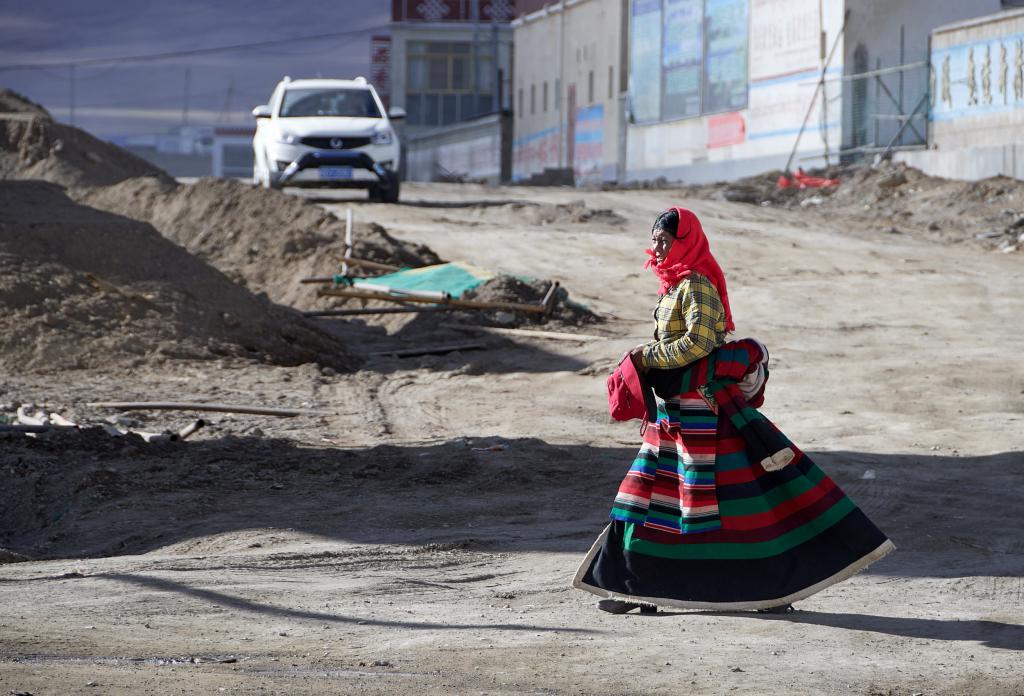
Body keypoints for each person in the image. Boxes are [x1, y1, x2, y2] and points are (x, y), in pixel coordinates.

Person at [573, 206, 895, 614]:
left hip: (705, 413)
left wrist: (645, 357)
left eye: (664, 240)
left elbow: (700, 344)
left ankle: (771, 589)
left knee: (734, 502)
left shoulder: (698, 285)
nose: (655, 246)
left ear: (685, 242)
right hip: (677, 411)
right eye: (654, 239)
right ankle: (638, 588)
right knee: (652, 497)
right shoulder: (674, 285)